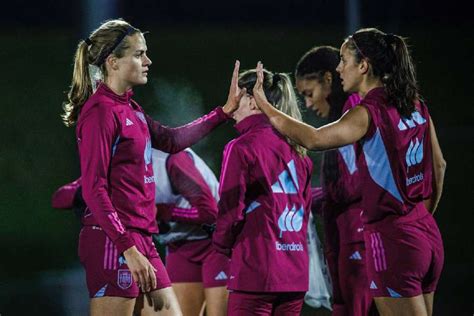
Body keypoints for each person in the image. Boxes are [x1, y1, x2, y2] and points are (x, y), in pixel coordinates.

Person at [253, 28, 446, 316]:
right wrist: (419, 220)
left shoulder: (368, 112)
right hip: (426, 233)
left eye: (344, 60)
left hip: (392, 235)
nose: (339, 68)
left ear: (364, 65)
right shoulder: (415, 103)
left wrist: (266, 107)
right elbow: (440, 164)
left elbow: (314, 139)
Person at [61, 19, 244, 316]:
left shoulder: (129, 108)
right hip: (114, 242)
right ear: (113, 62)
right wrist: (127, 249)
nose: (148, 61)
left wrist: (222, 113)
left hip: (142, 239)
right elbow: (94, 189)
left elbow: (171, 140)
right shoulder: (99, 113)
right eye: (138, 54)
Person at [212, 69, 313, 315]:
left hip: (256, 270)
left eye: (237, 97)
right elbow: (305, 211)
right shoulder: (299, 150)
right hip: (295, 272)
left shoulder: (241, 147)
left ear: (252, 101)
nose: (232, 105)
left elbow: (230, 209)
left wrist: (221, 245)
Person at [295, 46, 376, 315]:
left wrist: (306, 197)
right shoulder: (339, 114)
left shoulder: (351, 112)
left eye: (309, 94)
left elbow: (358, 180)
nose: (307, 104)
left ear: (328, 79)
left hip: (357, 235)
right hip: (341, 233)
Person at [151, 148, 228, 316]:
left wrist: (164, 212)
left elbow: (210, 213)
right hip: (179, 245)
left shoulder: (170, 157)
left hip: (215, 243)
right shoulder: (112, 166)